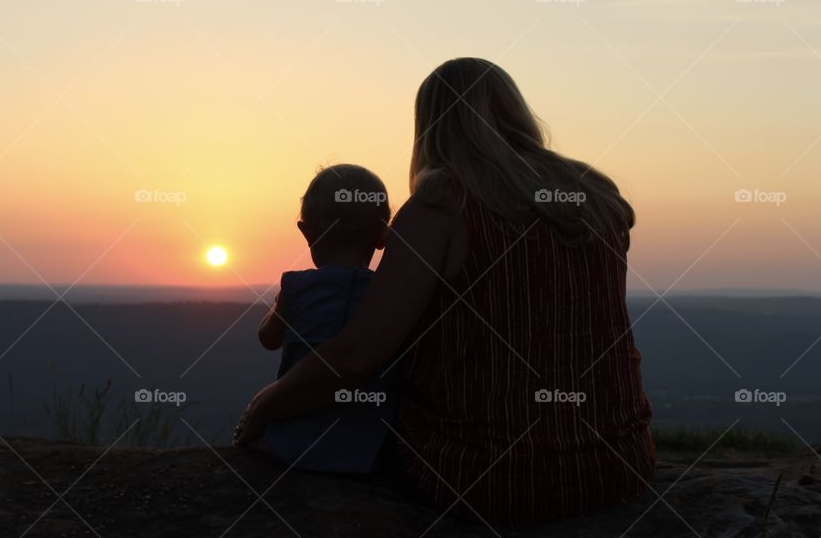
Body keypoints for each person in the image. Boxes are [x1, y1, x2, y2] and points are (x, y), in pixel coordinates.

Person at [235, 57, 656, 527]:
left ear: (431, 124)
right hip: (619, 463)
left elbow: (355, 358)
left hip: (482, 473)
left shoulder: (441, 205)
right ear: (514, 109)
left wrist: (263, 407)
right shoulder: (595, 195)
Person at [253, 163, 397, 473]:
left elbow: (267, 338)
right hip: (368, 445)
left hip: (294, 439)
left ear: (307, 232)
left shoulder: (296, 286)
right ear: (382, 236)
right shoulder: (388, 293)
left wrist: (282, 302)